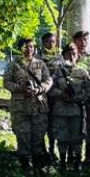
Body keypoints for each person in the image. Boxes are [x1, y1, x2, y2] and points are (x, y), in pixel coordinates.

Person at [3, 37, 53, 172]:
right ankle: (25, 163)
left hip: (38, 105)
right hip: (20, 107)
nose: (29, 49)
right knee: (23, 135)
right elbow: (6, 82)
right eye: (26, 47)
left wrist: (39, 89)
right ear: (20, 48)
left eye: (31, 46)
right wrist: (20, 88)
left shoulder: (40, 64)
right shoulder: (14, 65)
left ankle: (39, 164)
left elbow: (48, 80)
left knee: (38, 134)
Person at [48, 44, 90, 171]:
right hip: (60, 110)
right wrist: (61, 94)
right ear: (63, 55)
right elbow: (50, 89)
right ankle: (62, 163)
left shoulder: (82, 72)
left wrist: (77, 98)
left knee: (78, 137)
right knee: (62, 137)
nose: (71, 56)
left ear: (78, 55)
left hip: (76, 110)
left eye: (74, 53)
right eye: (68, 54)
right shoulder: (58, 72)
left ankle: (77, 162)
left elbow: (89, 90)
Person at [72, 31, 90, 167]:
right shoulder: (69, 56)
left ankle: (88, 156)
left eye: (85, 40)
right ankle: (74, 155)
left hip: (89, 99)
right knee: (74, 126)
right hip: (72, 100)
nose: (83, 42)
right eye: (80, 40)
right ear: (74, 41)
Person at [38, 32, 61, 161]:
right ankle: (42, 150)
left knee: (54, 124)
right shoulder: (37, 57)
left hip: (56, 96)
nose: (51, 44)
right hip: (41, 95)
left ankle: (52, 149)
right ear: (43, 43)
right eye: (48, 41)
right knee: (41, 123)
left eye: (53, 41)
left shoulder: (59, 57)